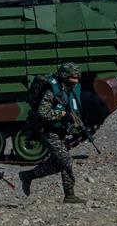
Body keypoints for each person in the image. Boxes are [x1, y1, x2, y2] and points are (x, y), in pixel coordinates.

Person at [19, 62, 87, 204]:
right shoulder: (52, 90)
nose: (76, 81)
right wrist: (62, 114)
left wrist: (78, 127)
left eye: (77, 77)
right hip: (48, 130)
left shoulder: (72, 89)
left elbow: (74, 110)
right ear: (65, 77)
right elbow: (43, 112)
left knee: (59, 163)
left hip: (59, 130)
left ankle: (29, 175)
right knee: (67, 160)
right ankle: (69, 195)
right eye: (73, 78)